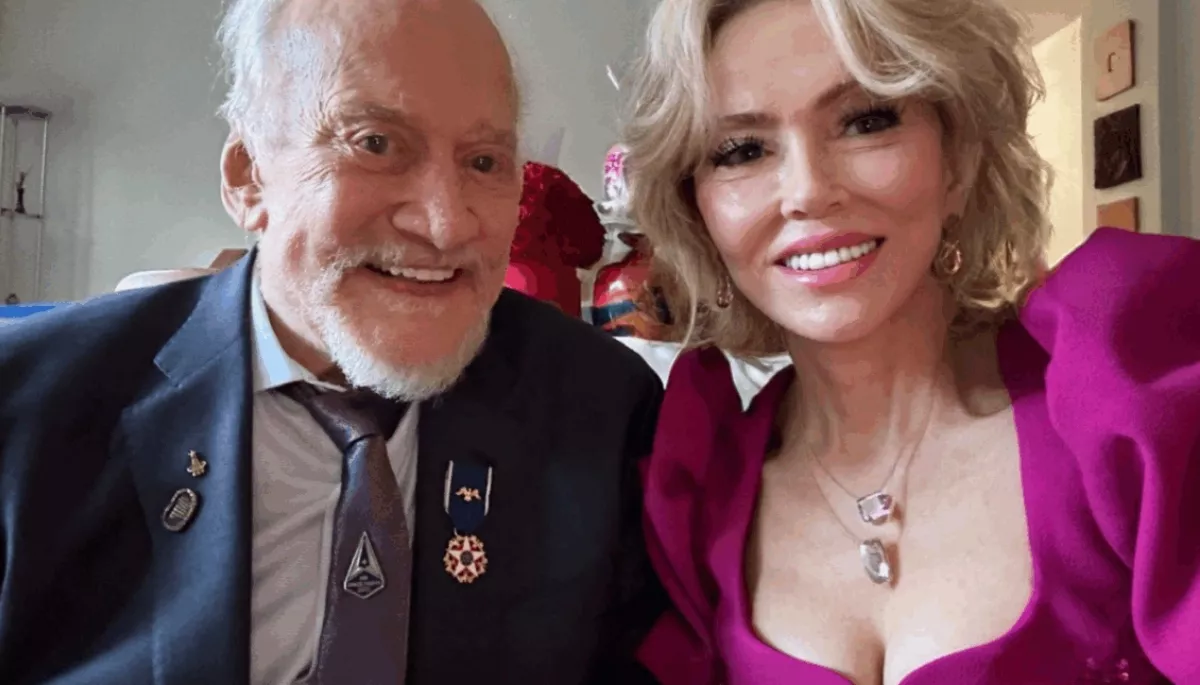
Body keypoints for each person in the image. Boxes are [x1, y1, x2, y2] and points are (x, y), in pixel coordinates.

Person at [0, 0, 665, 683]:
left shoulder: (601, 407)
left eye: (484, 161)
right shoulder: (29, 405)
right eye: (375, 143)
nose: (444, 224)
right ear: (247, 176)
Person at [619, 0, 1200, 683]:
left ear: (957, 160)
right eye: (742, 150)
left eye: (866, 120)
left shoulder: (1129, 404)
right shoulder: (699, 494)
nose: (807, 190)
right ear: (698, 209)